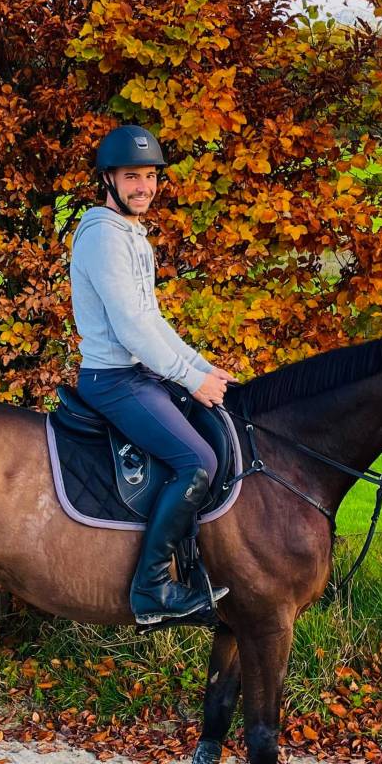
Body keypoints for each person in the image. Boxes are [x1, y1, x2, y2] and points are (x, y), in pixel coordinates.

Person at [69, 124, 237, 625]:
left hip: (138, 376)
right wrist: (190, 379)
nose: (144, 186)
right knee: (197, 460)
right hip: (114, 380)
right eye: (132, 177)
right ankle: (153, 589)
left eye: (150, 176)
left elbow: (154, 319)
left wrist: (203, 368)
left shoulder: (129, 234)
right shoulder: (103, 236)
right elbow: (132, 329)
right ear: (109, 180)